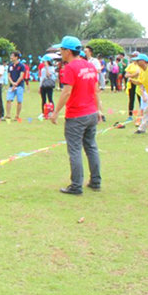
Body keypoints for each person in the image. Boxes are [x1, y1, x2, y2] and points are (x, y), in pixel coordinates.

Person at [49, 36, 103, 195]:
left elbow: (66, 92)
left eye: (61, 50)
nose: (60, 52)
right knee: (91, 147)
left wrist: (56, 112)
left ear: (67, 51)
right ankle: (95, 181)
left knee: (75, 150)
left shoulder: (70, 68)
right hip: (91, 112)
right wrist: (99, 109)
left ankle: (76, 185)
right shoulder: (89, 66)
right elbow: (95, 89)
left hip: (76, 115)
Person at [5, 51, 26, 120]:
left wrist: (16, 84)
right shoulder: (10, 66)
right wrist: (12, 83)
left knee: (19, 101)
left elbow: (21, 76)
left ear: (16, 57)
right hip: (12, 85)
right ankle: (8, 115)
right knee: (8, 100)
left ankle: (17, 115)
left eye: (12, 56)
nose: (11, 57)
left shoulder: (21, 66)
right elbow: (9, 76)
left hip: (20, 86)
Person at [124, 51, 142, 120]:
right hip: (131, 83)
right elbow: (126, 75)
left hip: (139, 83)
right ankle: (130, 115)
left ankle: (141, 115)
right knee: (131, 99)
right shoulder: (131, 65)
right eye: (133, 56)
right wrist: (133, 75)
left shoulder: (140, 65)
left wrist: (132, 75)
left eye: (135, 56)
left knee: (140, 99)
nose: (134, 58)